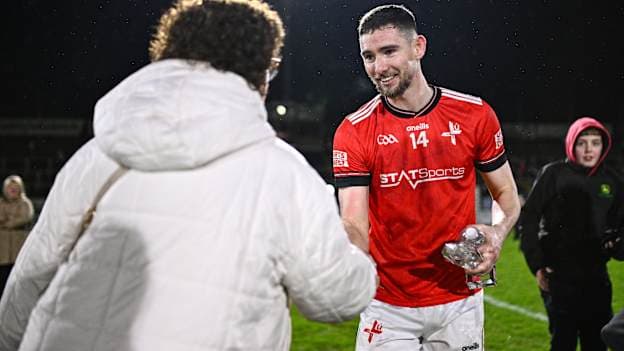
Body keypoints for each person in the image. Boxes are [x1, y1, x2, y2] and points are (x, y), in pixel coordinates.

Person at [0, 1, 377, 350]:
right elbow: (334, 297)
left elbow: (31, 275)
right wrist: (358, 253)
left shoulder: (100, 153)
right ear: (262, 71)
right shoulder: (284, 171)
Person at [332, 4, 520, 350]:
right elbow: (355, 225)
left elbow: (506, 193)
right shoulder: (354, 131)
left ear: (418, 47)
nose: (379, 67)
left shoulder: (474, 114)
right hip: (387, 305)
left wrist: (497, 231)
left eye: (389, 51)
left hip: (459, 301)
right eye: (369, 56)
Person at [518, 117, 624, 351]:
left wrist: (617, 246)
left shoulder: (612, 180)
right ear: (571, 144)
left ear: (603, 146)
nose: (589, 150)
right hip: (559, 277)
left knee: (597, 342)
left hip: (597, 277)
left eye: (595, 143)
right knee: (562, 342)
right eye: (582, 143)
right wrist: (537, 265)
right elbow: (529, 219)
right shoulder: (553, 174)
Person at [0, 175, 34, 297]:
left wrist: (7, 222)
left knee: (17, 276)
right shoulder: (1, 203)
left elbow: (24, 218)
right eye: (10, 188)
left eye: (16, 188)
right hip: (3, 249)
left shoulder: (25, 203)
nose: (13, 191)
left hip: (18, 244)